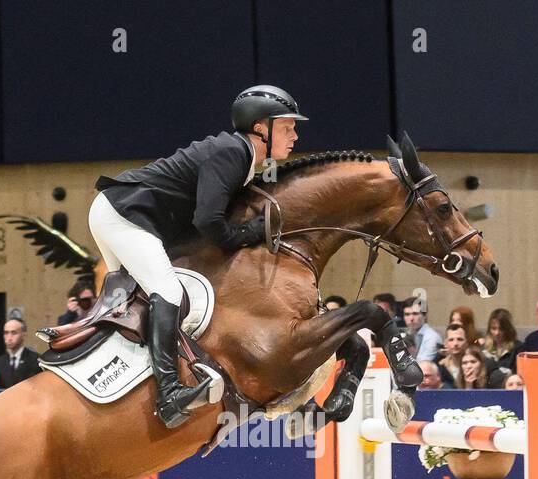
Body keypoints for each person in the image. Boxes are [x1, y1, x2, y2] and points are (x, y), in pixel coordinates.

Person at [91, 85, 368, 429]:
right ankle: (168, 394)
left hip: (133, 216)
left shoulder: (246, 159)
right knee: (168, 291)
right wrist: (252, 233)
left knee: (144, 301)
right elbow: (209, 222)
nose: (295, 135)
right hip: (124, 214)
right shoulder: (232, 153)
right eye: (286, 127)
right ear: (259, 128)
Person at [0, 312, 41, 388]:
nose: (9, 337)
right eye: (6, 333)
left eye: (13, 333)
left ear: (23, 335)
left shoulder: (36, 360)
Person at [403, 297, 442, 361]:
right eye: (407, 314)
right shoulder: (405, 335)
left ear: (425, 315)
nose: (411, 318)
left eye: (415, 314)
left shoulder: (432, 337)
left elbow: (423, 364)